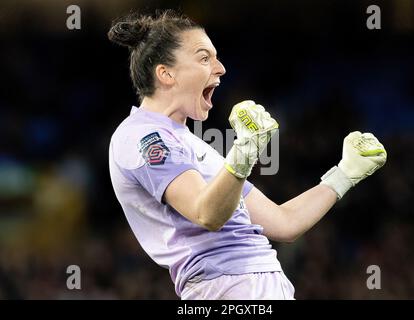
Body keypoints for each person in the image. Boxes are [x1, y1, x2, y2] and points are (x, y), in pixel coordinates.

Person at [108, 10, 387, 300]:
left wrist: (344, 174)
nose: (221, 68)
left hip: (259, 285)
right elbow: (207, 214)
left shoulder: (197, 147)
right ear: (166, 73)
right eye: (204, 58)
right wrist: (245, 151)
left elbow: (283, 223)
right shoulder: (142, 136)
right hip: (227, 288)